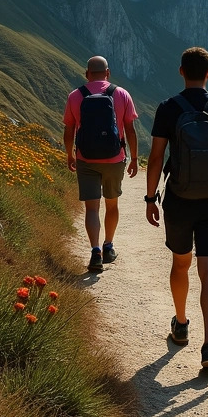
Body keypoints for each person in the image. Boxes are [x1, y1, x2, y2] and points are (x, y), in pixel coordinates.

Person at [145, 47, 208, 370]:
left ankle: (180, 323)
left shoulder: (168, 109)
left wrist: (151, 199)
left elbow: (157, 157)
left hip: (178, 201)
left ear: (181, 71)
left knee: (180, 264)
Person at [64, 56, 138, 273]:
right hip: (115, 158)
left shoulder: (75, 96)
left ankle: (95, 251)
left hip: (86, 159)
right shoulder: (121, 94)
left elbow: (69, 131)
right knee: (112, 204)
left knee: (92, 207)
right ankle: (108, 246)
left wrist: (70, 155)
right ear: (108, 72)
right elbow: (130, 129)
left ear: (87, 73)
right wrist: (133, 158)